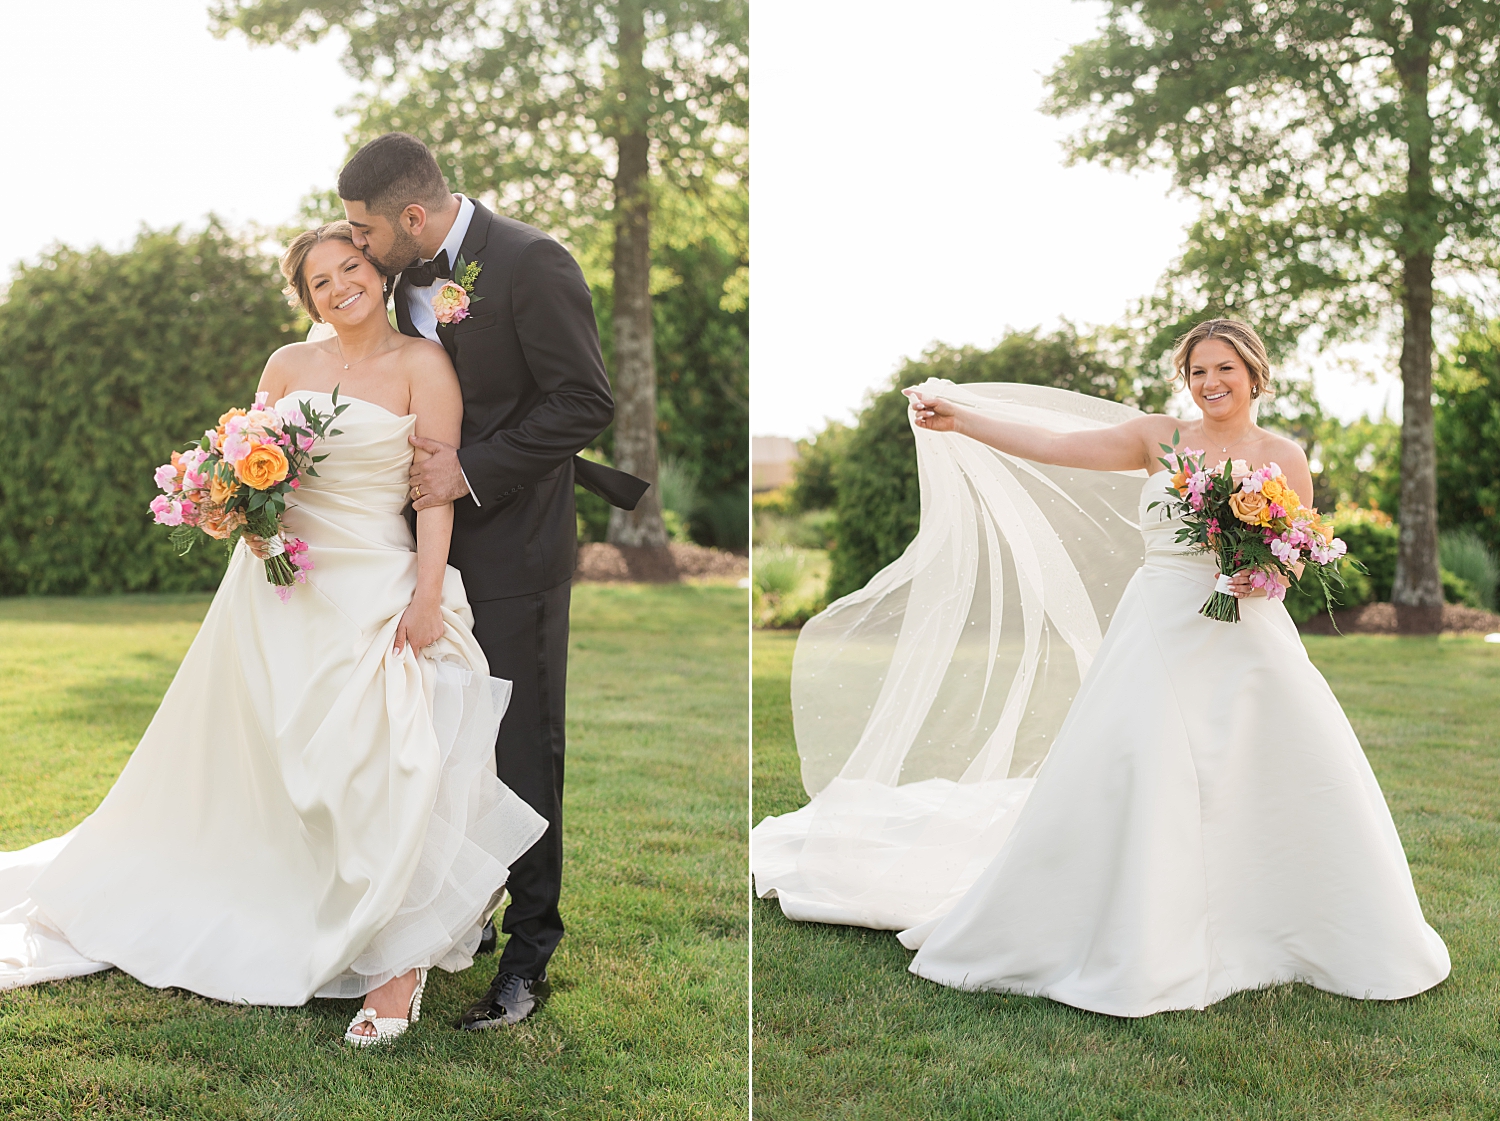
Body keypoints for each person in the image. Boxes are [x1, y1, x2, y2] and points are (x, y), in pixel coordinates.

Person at [752, 318, 1451, 1017]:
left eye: (1224, 370)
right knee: (1139, 763)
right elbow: (1056, 446)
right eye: (1198, 371)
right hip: (1157, 626)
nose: (1209, 383)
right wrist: (965, 419)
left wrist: (1260, 576)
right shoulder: (1160, 438)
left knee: (1273, 769)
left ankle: (1278, 927)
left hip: (1247, 635)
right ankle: (1139, 927)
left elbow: (1292, 554)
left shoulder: (1283, 455)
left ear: (1254, 375)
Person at [0, 222, 549, 1046]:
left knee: (392, 753)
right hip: (277, 588)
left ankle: (397, 963)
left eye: (350, 268)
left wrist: (427, 596)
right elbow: (249, 464)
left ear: (379, 272)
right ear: (307, 299)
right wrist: (235, 510)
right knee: (264, 761)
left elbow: (434, 491)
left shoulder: (421, 365)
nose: (338, 288)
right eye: (319, 281)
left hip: (378, 577)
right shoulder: (286, 367)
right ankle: (274, 900)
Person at [334, 133, 647, 1029]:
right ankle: (438, 917)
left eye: (365, 227)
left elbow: (583, 400)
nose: (354, 243)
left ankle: (528, 959)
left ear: (414, 217)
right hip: (411, 554)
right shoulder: (395, 276)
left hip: (515, 548)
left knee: (520, 746)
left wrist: (468, 473)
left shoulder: (533, 262)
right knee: (426, 741)